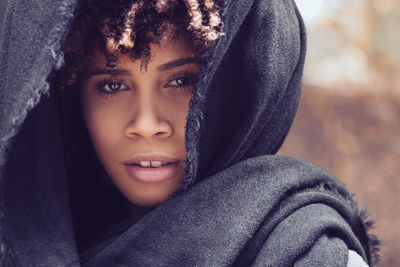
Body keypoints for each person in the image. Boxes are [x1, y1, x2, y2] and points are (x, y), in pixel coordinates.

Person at [0, 0, 379, 266]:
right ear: (71, 100)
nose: (147, 123)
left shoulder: (299, 250)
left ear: (235, 88)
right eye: (113, 86)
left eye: (181, 81)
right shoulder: (32, 245)